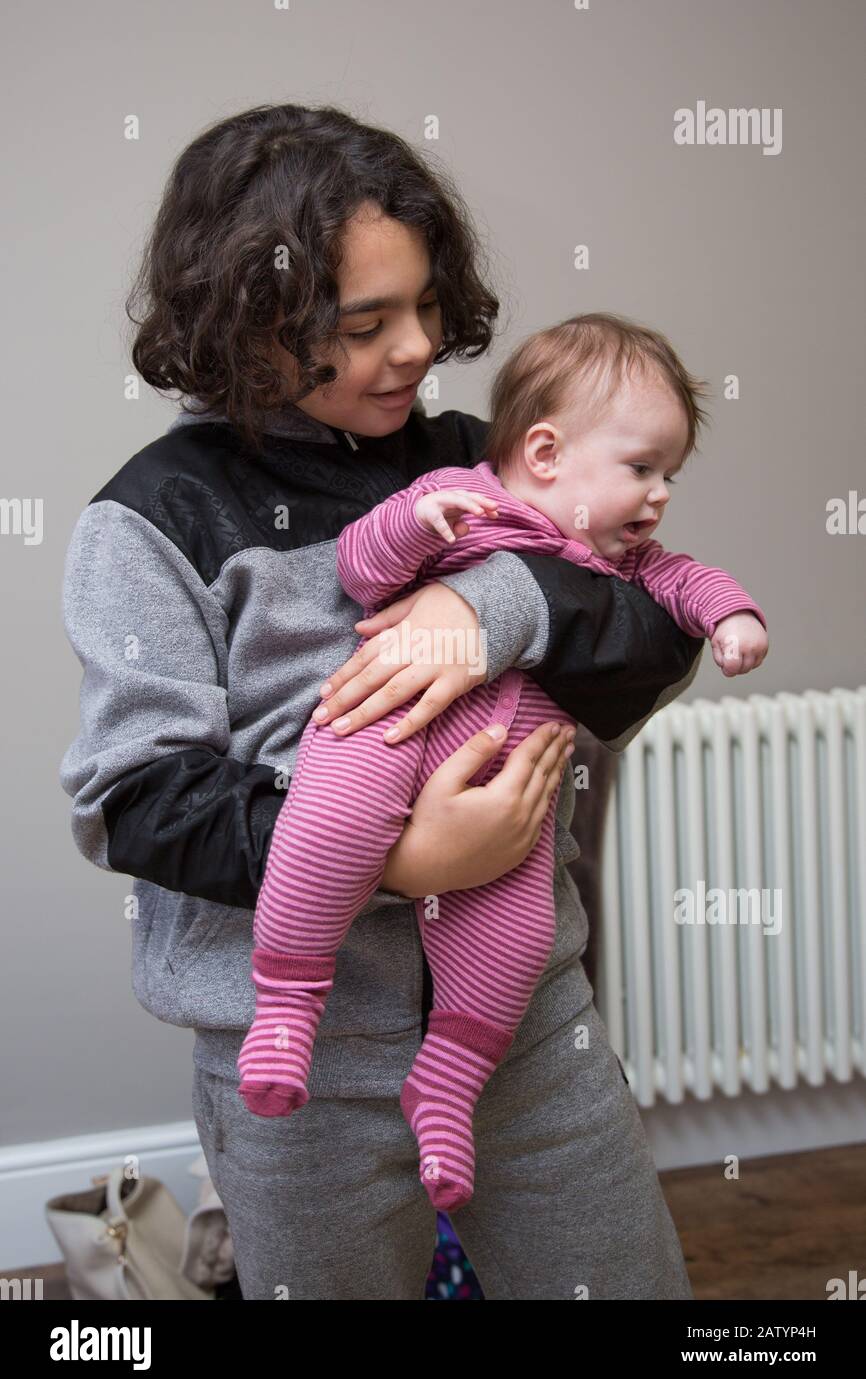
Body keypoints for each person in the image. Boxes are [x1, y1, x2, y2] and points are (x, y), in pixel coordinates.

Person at [60, 102, 703, 1299]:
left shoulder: (475, 457)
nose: (416, 349)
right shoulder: (151, 522)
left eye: (424, 307)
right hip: (305, 1085)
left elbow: (654, 632)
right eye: (365, 325)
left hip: (530, 1037)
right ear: (246, 327)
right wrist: (398, 861)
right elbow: (137, 800)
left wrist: (498, 605)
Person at [237, 312, 769, 1215]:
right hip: (385, 728)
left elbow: (689, 585)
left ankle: (446, 1079)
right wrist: (414, 523)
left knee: (518, 933)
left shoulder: (632, 561)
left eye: (669, 475)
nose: (661, 496)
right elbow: (362, 572)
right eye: (642, 469)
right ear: (549, 452)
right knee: (326, 825)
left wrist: (735, 617)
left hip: (512, 783)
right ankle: (288, 1003)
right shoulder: (459, 496)